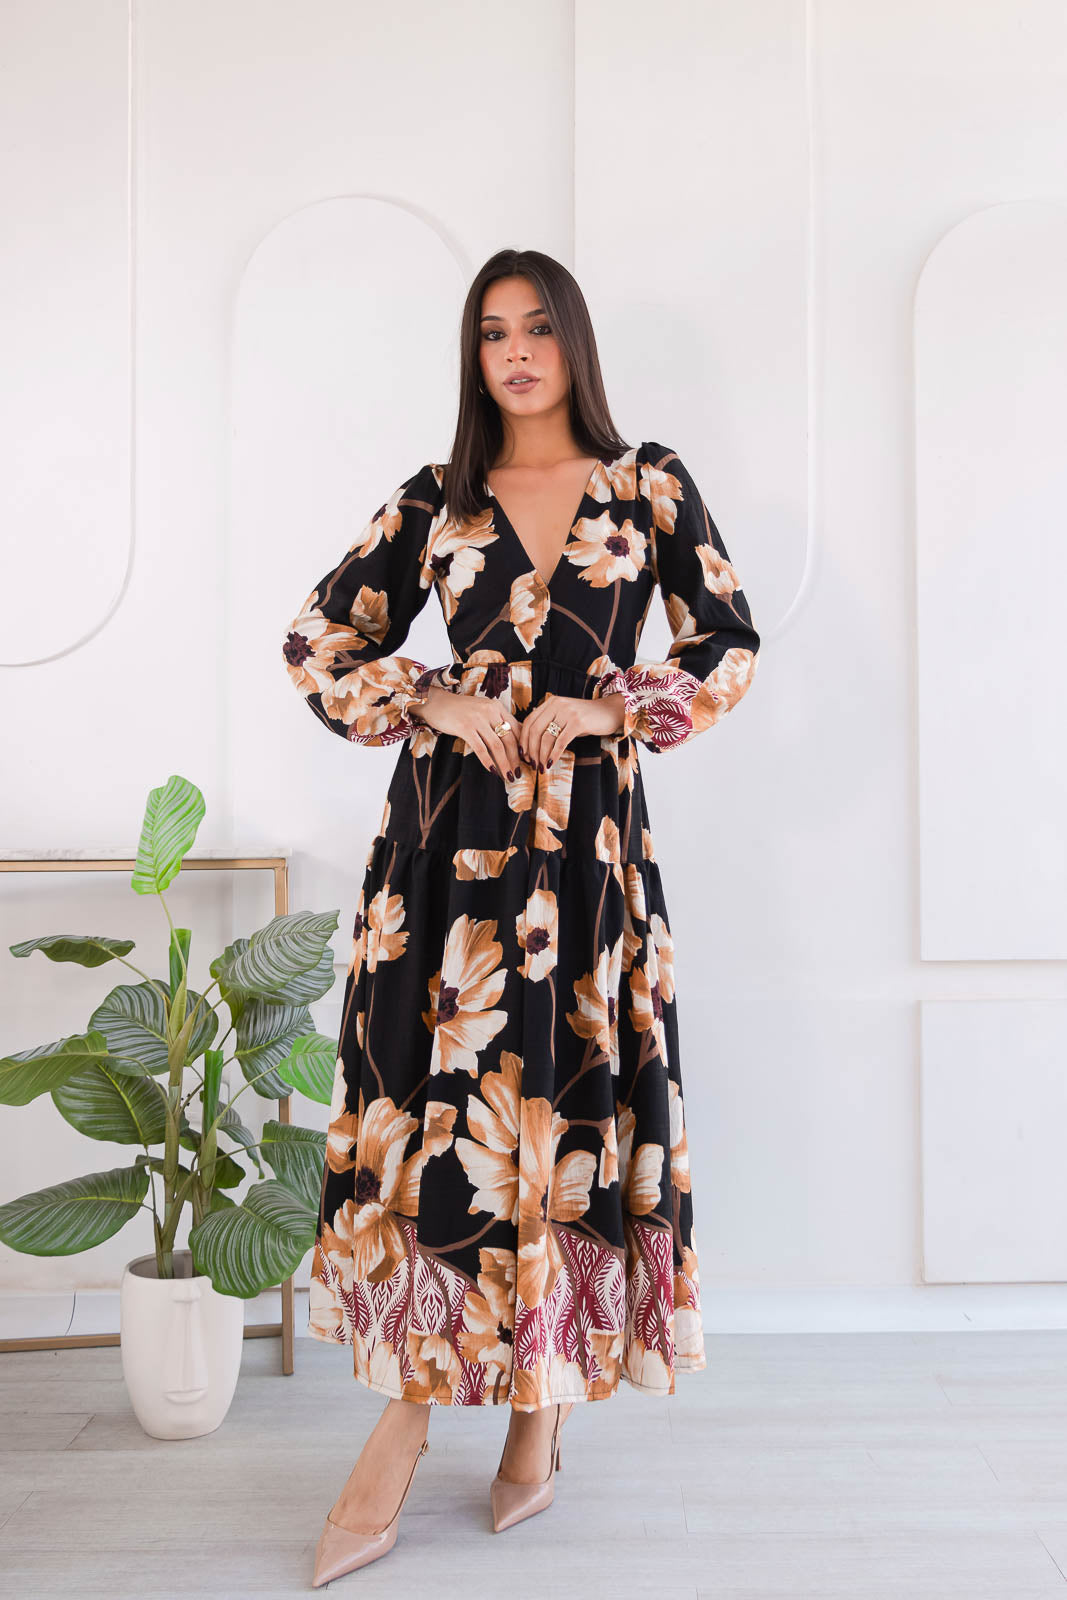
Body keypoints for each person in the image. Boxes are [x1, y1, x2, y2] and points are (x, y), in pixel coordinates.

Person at [281, 247, 761, 1585]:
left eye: (539, 326)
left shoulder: (646, 485)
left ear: (575, 343)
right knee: (442, 1120)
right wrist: (434, 695)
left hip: (587, 863)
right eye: (493, 331)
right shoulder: (435, 498)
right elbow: (318, 640)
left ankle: (538, 1413)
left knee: (558, 1114)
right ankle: (406, 1420)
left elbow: (728, 645)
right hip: (443, 860)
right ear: (474, 353)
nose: (516, 351)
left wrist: (607, 707)